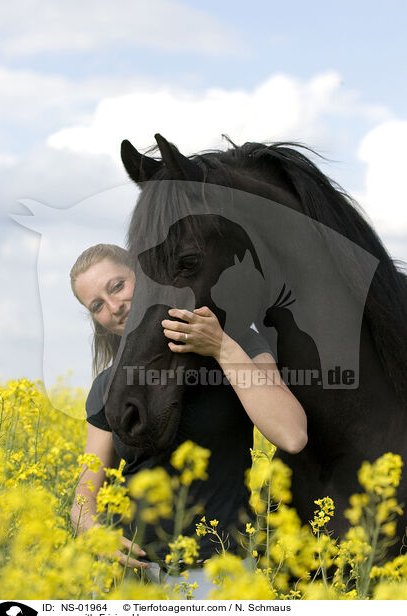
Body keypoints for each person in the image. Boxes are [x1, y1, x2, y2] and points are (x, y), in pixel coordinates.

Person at [69, 243, 308, 595]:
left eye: (117, 286)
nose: (115, 307)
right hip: (129, 576)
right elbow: (85, 491)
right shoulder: (109, 384)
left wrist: (221, 347)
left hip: (215, 573)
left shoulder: (236, 341)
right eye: (97, 306)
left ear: (146, 277)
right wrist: (92, 528)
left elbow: (292, 434)